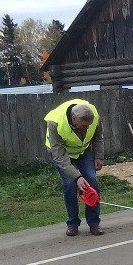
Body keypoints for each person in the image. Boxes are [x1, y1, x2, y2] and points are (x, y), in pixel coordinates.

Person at [44, 98, 104, 236]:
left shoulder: (93, 115)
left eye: (88, 125)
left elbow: (98, 136)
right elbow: (59, 157)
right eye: (83, 126)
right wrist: (77, 177)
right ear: (74, 118)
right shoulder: (55, 122)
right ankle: (72, 224)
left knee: (92, 181)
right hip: (63, 154)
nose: (87, 128)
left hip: (83, 152)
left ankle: (94, 223)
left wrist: (98, 156)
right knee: (69, 185)